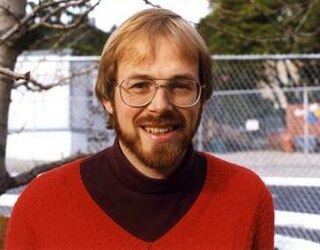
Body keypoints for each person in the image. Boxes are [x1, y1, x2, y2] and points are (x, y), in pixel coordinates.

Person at [6, 8, 274, 249]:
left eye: (180, 85)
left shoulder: (246, 198)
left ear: (202, 96)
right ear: (107, 98)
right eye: (138, 86)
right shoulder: (43, 206)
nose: (160, 106)